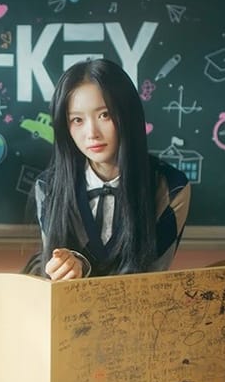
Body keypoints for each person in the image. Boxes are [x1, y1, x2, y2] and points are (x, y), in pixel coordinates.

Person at [34, 58, 191, 280]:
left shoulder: (171, 187)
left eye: (104, 115)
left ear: (128, 114)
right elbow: (53, 277)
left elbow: (149, 279)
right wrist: (62, 269)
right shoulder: (48, 188)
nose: (92, 133)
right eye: (77, 120)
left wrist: (84, 269)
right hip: (67, 311)